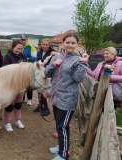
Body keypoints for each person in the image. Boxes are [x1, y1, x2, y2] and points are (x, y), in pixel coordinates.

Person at [45, 32, 88, 160]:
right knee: (60, 125)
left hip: (68, 99)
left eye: (73, 43)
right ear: (63, 43)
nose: (70, 45)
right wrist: (54, 65)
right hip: (56, 97)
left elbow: (78, 78)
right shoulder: (56, 57)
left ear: (77, 44)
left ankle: (63, 155)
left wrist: (83, 63)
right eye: (67, 42)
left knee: (62, 127)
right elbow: (47, 73)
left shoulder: (77, 60)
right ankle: (61, 147)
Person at [3, 39, 27, 132]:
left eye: (21, 49)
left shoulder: (23, 56)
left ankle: (18, 120)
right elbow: (5, 70)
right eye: (17, 48)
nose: (19, 50)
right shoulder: (7, 57)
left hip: (21, 86)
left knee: (18, 104)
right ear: (13, 47)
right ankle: (7, 122)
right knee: (10, 104)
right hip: (11, 85)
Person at [33, 38, 58, 116]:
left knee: (45, 91)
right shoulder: (39, 52)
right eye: (43, 44)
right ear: (41, 44)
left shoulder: (52, 53)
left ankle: (46, 108)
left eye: (46, 45)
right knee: (39, 90)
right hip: (40, 73)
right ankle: (40, 106)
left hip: (48, 74)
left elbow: (54, 63)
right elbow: (37, 61)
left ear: (49, 45)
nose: (44, 46)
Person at [20, 33, 37, 106]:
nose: (23, 41)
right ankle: (22, 98)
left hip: (29, 68)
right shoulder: (20, 46)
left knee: (29, 84)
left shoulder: (31, 47)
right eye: (22, 39)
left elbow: (34, 58)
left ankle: (29, 99)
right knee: (21, 84)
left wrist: (27, 58)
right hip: (21, 68)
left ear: (27, 39)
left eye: (24, 39)